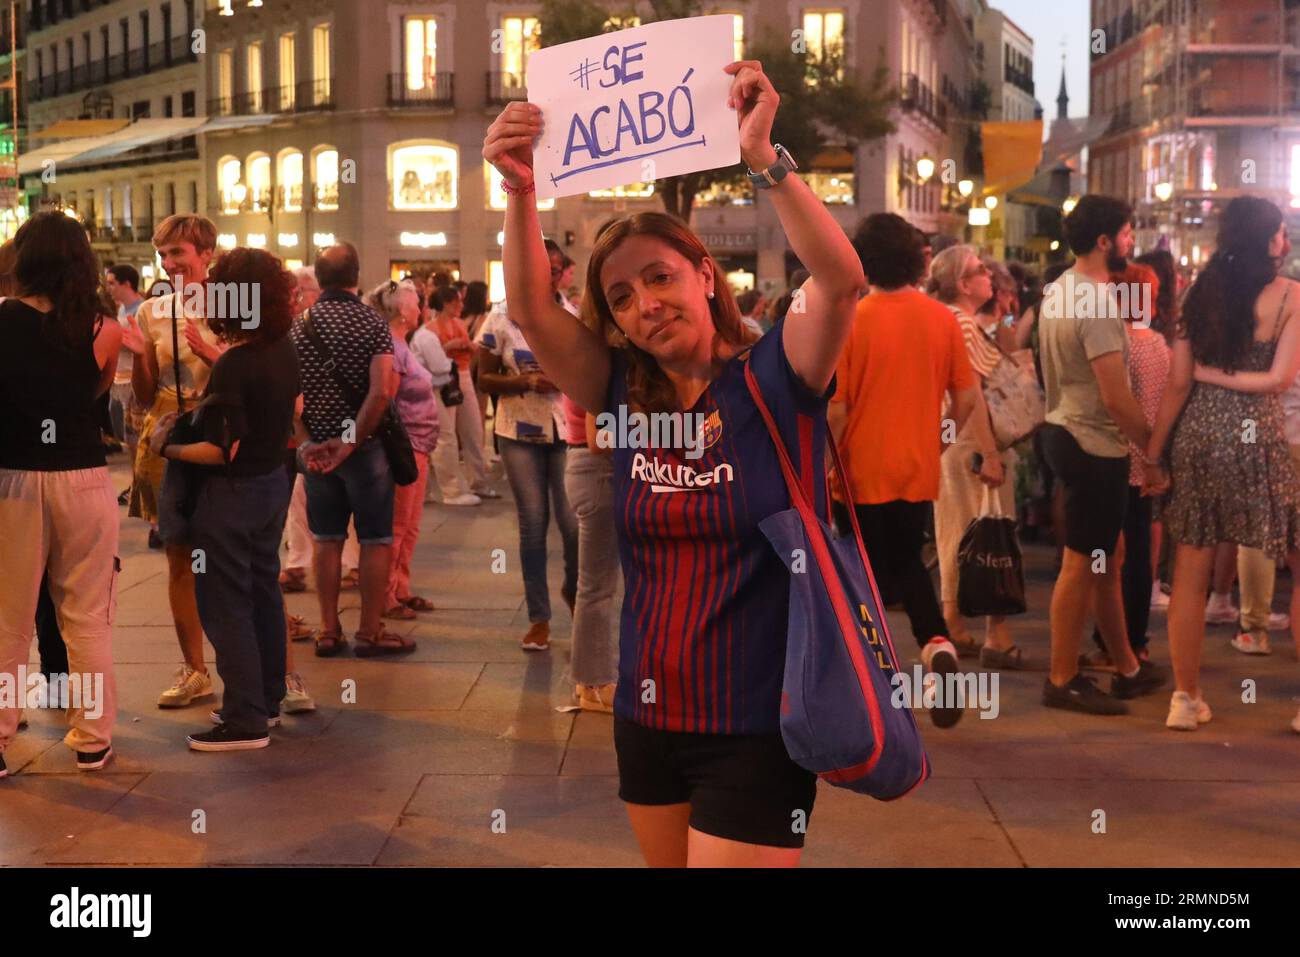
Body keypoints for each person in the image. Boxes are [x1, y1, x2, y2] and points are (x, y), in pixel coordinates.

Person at [485, 55, 867, 866]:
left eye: (659, 278)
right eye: (620, 297)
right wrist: (518, 190)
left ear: (705, 273)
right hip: (649, 713)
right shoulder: (618, 388)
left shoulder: (777, 374)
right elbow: (527, 307)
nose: (643, 304)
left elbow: (838, 281)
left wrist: (765, 158)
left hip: (759, 721)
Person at [830, 214, 1001, 729]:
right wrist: (940, 434)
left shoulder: (852, 319)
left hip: (858, 469)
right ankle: (935, 645)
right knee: (905, 561)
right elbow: (967, 397)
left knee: (859, 575)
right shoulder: (942, 319)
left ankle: (866, 677)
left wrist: (822, 462)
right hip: (916, 465)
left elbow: (836, 410)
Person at [1145, 196, 1300, 733]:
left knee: (1189, 571)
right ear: (1267, 240)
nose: (1284, 241)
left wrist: (1154, 453)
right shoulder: (1290, 298)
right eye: (1280, 233)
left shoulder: (1198, 294)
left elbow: (1179, 381)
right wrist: (1234, 382)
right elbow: (1280, 380)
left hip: (1199, 435)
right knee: (1296, 559)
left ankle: (1185, 698)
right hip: (1259, 436)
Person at [148, 249, 301, 750]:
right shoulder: (283, 348)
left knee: (225, 603)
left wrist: (164, 445)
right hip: (271, 484)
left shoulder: (236, 362)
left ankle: (244, 719)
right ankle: (267, 700)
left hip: (232, 496)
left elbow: (220, 450)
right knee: (261, 592)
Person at [0, 211, 123, 775]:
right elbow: (95, 394)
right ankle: (93, 737)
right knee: (87, 615)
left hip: (14, 479)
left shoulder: (2, 320)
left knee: (7, 619)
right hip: (85, 479)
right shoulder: (105, 326)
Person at [1037, 195, 1166, 715]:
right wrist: (1154, 451)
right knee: (1080, 563)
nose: (1134, 241)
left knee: (1104, 559)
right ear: (1106, 240)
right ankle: (1062, 677)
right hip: (1094, 443)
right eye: (1129, 232)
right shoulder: (1096, 301)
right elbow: (1116, 397)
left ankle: (1127, 667)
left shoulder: (1060, 290)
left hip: (1064, 431)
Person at [119, 214, 222, 709]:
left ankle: (273, 670)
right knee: (179, 557)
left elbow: (251, 377)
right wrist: (140, 357)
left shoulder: (234, 307)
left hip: (223, 442)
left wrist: (211, 350)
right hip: (168, 441)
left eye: (178, 252)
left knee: (240, 559)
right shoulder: (151, 313)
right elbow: (142, 395)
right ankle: (195, 670)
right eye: (163, 254)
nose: (169, 262)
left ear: (207, 254)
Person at [291, 243, 414, 658]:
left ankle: (328, 630)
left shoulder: (298, 325)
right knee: (376, 539)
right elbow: (381, 393)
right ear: (356, 276)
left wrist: (308, 441)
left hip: (316, 453)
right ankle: (370, 630)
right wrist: (349, 442)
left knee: (326, 539)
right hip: (365, 450)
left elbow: (290, 395)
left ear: (320, 279)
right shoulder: (371, 323)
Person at [475, 245, 579, 652]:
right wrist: (527, 382)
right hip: (518, 429)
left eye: (556, 270)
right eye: (543, 270)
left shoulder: (572, 315)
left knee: (573, 524)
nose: (550, 277)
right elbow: (484, 378)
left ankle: (574, 590)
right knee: (533, 523)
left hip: (565, 427)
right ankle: (539, 617)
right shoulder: (500, 316)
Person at [926, 245, 1023, 669]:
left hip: (946, 437)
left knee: (955, 531)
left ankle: (952, 621)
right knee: (990, 533)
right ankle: (995, 634)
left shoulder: (941, 318)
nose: (990, 276)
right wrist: (990, 452)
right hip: (969, 439)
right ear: (963, 285)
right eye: (980, 271)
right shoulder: (962, 324)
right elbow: (974, 395)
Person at [1082, 262, 1168, 668]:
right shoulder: (1158, 345)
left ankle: (1113, 640)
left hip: (1117, 456)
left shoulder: (1118, 347)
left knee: (1109, 558)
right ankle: (1135, 638)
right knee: (1137, 557)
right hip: (1149, 457)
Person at [365, 279, 440, 620]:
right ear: (400, 311)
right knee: (397, 524)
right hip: (404, 448)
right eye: (414, 303)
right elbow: (387, 402)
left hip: (418, 447)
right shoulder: (393, 349)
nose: (420, 308)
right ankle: (386, 596)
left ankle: (401, 587)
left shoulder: (401, 344)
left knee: (410, 524)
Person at [427, 286, 495, 504]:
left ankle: (479, 481)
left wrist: (467, 346)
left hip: (463, 374)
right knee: (446, 435)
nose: (461, 306)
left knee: (474, 429)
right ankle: (452, 489)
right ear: (447, 303)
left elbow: (470, 347)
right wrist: (452, 346)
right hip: (445, 378)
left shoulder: (459, 324)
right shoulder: (431, 328)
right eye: (457, 302)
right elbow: (432, 355)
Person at [280, 266, 322, 594]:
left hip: (316, 425)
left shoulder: (309, 327)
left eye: (299, 292)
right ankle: (297, 563)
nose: (294, 299)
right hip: (299, 427)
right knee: (299, 495)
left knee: (305, 494)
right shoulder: (293, 328)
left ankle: (299, 564)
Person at [104, 264, 144, 502]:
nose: (109, 288)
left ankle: (139, 485)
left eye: (112, 283)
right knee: (127, 438)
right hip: (119, 380)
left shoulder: (140, 311)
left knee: (136, 437)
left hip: (133, 381)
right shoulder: (121, 309)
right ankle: (136, 482)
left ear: (126, 283)